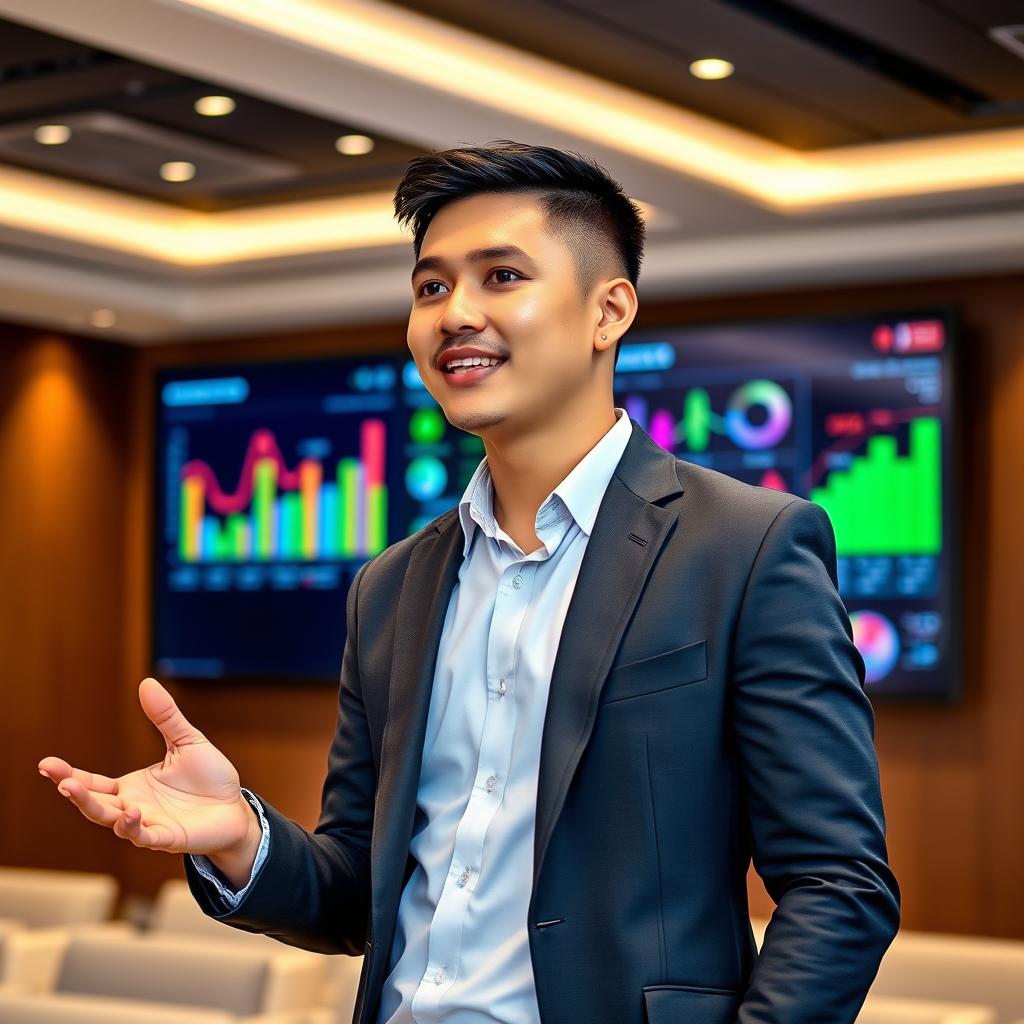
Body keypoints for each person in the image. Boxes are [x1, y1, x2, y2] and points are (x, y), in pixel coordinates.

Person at [40, 141, 899, 1024]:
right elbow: (357, 891)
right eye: (431, 286)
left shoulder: (746, 547)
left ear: (610, 311)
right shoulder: (392, 586)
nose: (456, 314)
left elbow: (840, 885)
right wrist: (240, 838)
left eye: (501, 276)